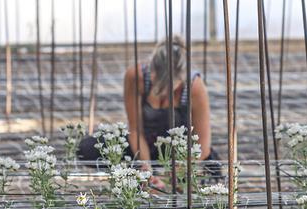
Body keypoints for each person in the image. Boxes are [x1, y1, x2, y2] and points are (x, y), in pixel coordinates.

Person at [77, 39, 220, 189]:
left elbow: (202, 146)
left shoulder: (194, 86)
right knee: (87, 149)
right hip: (144, 143)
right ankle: (136, 177)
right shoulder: (136, 76)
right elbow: (135, 129)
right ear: (153, 70)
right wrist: (147, 170)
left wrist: (167, 178)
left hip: (178, 150)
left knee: (195, 180)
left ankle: (173, 180)